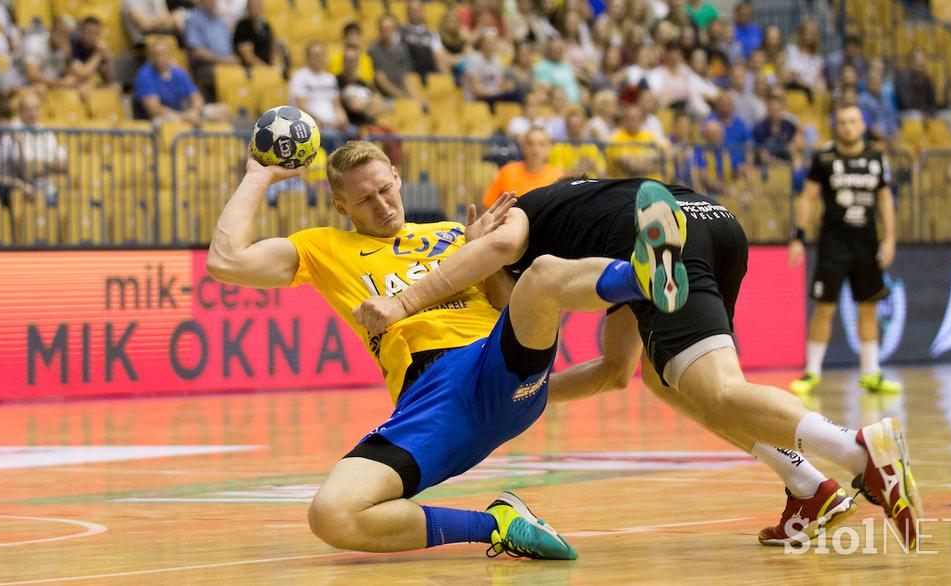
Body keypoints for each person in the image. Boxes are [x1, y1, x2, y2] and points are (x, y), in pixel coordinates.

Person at [355, 177, 922, 551]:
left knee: (719, 391)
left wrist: (404, 300)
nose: (505, 308)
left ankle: (856, 449)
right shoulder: (585, 231)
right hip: (709, 223)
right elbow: (614, 371)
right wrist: (516, 400)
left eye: (492, 292)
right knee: (667, 378)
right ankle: (807, 484)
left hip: (664, 238)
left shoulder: (517, 218)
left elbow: (499, 254)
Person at [206, 139, 684, 560]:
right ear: (340, 207)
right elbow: (226, 261)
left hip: (492, 363)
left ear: (397, 176)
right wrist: (257, 174)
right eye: (365, 200)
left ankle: (639, 275)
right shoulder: (323, 248)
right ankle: (498, 525)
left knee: (540, 278)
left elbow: (505, 304)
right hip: (429, 404)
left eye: (385, 189)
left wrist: (479, 258)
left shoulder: (453, 234)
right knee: (332, 515)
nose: (383, 205)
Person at [789, 103, 901, 396]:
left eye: (853, 121)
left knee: (869, 307)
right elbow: (808, 198)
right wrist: (797, 237)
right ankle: (811, 373)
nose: (848, 127)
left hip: (867, 244)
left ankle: (871, 374)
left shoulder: (876, 157)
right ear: (836, 126)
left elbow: (885, 199)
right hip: (833, 244)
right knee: (824, 308)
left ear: (862, 125)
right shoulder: (824, 158)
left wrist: (889, 239)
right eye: (842, 122)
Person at [134, 39, 229, 125]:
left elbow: (196, 97)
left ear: (170, 55)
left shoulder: (179, 72)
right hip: (159, 119)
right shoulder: (145, 75)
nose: (161, 57)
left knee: (222, 111)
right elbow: (153, 110)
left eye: (164, 53)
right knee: (172, 121)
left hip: (184, 113)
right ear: (151, 57)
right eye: (157, 54)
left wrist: (195, 111)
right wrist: (184, 117)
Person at [483, 128, 563, 207]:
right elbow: (488, 205)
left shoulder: (558, 177)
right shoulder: (507, 172)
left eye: (541, 144)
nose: (535, 149)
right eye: (530, 144)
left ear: (548, 148)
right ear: (523, 147)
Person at [186, 0, 239, 99]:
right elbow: (197, 52)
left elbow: (229, 49)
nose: (212, 1)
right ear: (200, 0)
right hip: (205, 67)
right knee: (228, 75)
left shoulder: (220, 21)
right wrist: (223, 60)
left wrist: (233, 59)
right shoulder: (194, 19)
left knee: (246, 73)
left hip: (225, 64)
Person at [289, 41, 347, 133]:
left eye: (322, 55)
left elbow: (336, 105)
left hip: (334, 125)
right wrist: (325, 123)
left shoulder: (330, 78)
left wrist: (343, 120)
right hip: (312, 125)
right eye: (316, 55)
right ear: (307, 58)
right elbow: (301, 107)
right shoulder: (300, 77)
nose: (319, 58)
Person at [465, 30, 521, 109]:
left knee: (516, 93)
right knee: (516, 96)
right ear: (482, 44)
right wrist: (495, 93)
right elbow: (476, 89)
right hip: (478, 99)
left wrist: (506, 86)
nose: (491, 45)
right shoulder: (474, 59)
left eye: (493, 42)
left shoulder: (497, 61)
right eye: (488, 42)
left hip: (494, 97)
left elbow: (499, 84)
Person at [367, 14, 416, 101]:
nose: (385, 30)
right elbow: (381, 80)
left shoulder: (401, 49)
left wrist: (415, 98)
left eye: (389, 28)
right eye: (383, 28)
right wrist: (403, 97)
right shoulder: (373, 50)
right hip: (382, 96)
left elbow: (405, 78)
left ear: (395, 30)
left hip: (400, 91)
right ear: (379, 29)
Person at [399, 0, 446, 82]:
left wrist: (445, 78)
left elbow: (439, 55)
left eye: (419, 9)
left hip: (429, 73)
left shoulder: (432, 33)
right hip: (408, 73)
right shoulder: (399, 30)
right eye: (413, 10)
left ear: (424, 11)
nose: (416, 12)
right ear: (407, 12)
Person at [233, 0, 279, 69]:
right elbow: (247, 56)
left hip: (267, 69)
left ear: (262, 8)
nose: (255, 8)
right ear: (247, 7)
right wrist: (266, 69)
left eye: (258, 5)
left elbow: (272, 48)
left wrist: (274, 66)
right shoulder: (242, 26)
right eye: (252, 5)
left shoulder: (265, 26)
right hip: (250, 70)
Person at [533, 38, 581, 104]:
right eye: (554, 49)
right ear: (548, 50)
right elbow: (544, 88)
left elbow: (573, 84)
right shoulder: (542, 66)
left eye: (559, 49)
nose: (557, 51)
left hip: (575, 105)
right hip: (558, 106)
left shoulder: (566, 65)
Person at [70, 16, 114, 85]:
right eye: (89, 32)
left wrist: (106, 62)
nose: (93, 37)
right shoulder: (73, 43)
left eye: (96, 33)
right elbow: (82, 74)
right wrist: (98, 55)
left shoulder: (98, 47)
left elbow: (109, 80)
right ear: (81, 30)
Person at [894, 48, 937, 118]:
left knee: (947, 117)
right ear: (911, 64)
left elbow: (932, 103)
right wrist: (924, 113)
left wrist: (931, 113)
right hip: (905, 113)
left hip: (923, 113)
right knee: (916, 115)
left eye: (922, 66)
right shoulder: (903, 78)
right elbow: (906, 103)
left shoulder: (927, 79)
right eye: (918, 66)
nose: (921, 69)